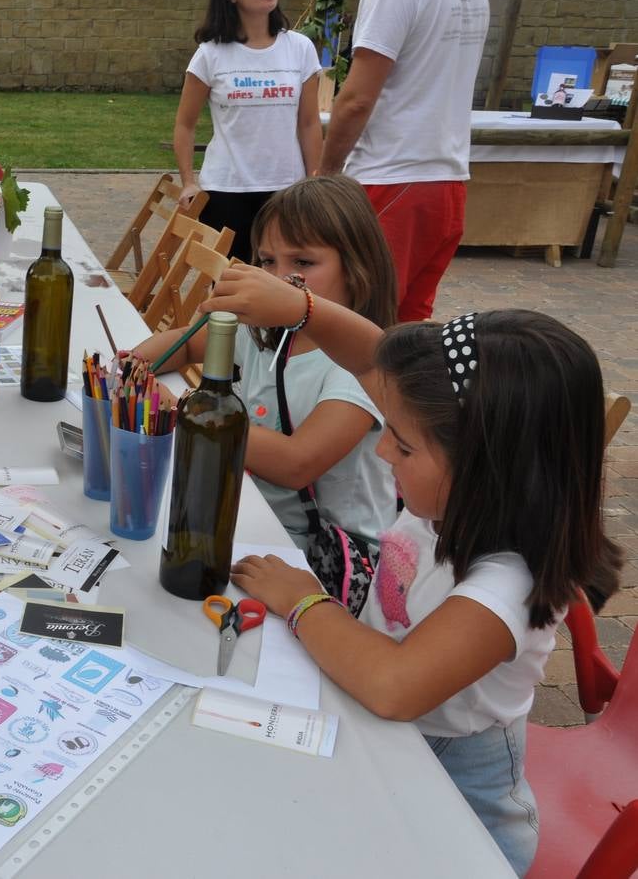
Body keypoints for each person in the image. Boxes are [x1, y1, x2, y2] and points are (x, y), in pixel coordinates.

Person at [202, 271, 622, 874]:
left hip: (453, 818)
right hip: (388, 747)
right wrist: (304, 307)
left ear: (486, 466)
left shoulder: (507, 583)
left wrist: (304, 601)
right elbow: (375, 360)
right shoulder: (453, 497)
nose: (380, 452)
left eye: (401, 446)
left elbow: (395, 685)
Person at [134, 175, 398, 559]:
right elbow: (189, 343)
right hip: (256, 513)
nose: (279, 279)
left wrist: (180, 409)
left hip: (332, 556)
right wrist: (133, 365)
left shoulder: (360, 365)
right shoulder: (263, 332)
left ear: (357, 267)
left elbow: (296, 463)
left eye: (303, 262)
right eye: (268, 261)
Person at [318, 0, 489, 321]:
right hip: (446, 179)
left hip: (391, 171)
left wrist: (326, 174)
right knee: (405, 326)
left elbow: (356, 100)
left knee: (356, 320)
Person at [173, 0, 322, 264]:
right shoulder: (210, 54)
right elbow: (185, 124)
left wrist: (316, 181)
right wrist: (189, 182)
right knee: (231, 285)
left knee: (286, 284)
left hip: (287, 191)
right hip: (226, 191)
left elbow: (309, 123)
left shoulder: (300, 48)